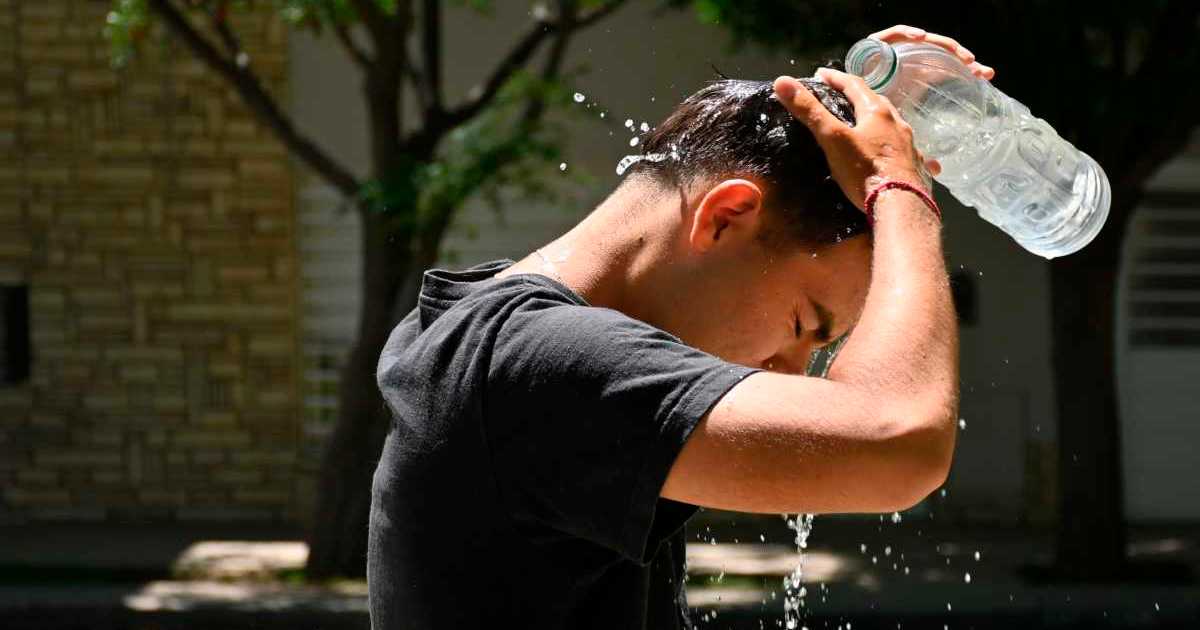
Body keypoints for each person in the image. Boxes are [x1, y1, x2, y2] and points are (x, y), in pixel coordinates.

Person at [367, 24, 994, 630]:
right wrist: (899, 190)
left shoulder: (480, 336)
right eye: (803, 323)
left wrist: (842, 94)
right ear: (725, 217)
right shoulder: (533, 364)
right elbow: (901, 440)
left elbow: (754, 141)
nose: (791, 371)